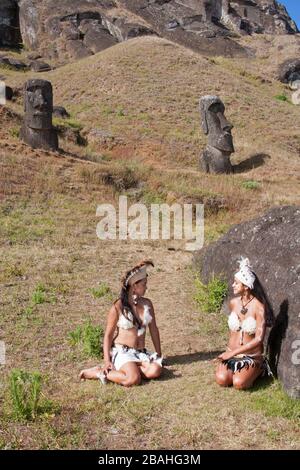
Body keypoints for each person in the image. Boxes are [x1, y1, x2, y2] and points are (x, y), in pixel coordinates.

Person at [79, 260, 163, 387]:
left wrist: (158, 353)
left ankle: (129, 370)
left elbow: (154, 330)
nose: (146, 287)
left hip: (140, 352)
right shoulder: (118, 307)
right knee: (133, 380)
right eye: (144, 284)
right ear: (134, 286)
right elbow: (108, 336)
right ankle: (99, 372)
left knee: (155, 370)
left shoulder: (147, 304)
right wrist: (107, 360)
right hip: (122, 352)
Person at [215, 257, 274, 390]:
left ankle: (259, 368)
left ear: (246, 286)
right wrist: (230, 352)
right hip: (231, 353)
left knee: (239, 383)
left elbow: (259, 339)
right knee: (221, 379)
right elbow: (233, 331)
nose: (233, 285)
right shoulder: (233, 303)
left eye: (236, 283)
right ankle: (235, 371)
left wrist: (233, 352)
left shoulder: (259, 307)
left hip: (250, 357)